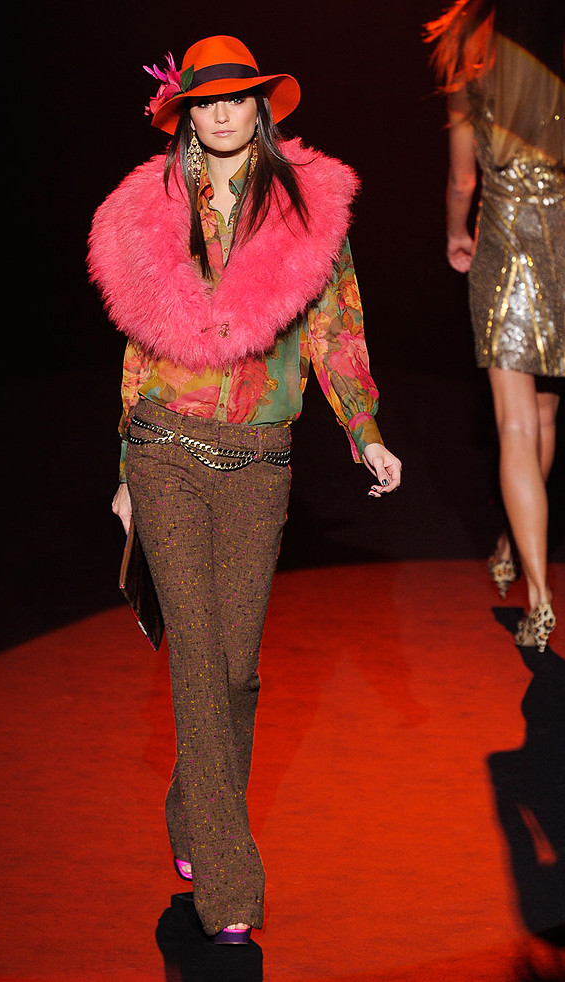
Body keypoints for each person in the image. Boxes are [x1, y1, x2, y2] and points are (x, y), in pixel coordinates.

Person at [88, 35, 402, 943]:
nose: (221, 113)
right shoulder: (152, 210)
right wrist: (125, 471)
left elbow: (337, 328)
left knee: (234, 669)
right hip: (166, 446)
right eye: (205, 101)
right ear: (184, 115)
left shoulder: (307, 211)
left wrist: (364, 431)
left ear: (260, 107)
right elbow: (138, 342)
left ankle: (192, 805)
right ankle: (231, 891)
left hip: (260, 458)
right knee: (195, 655)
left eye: (236, 97)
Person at [425, 0, 564, 653]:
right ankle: (512, 542)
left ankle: (538, 598)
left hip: (506, 244)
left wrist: (456, 232)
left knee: (514, 425)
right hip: (562, 244)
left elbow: (462, 179)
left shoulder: (471, 63)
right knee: (544, 419)